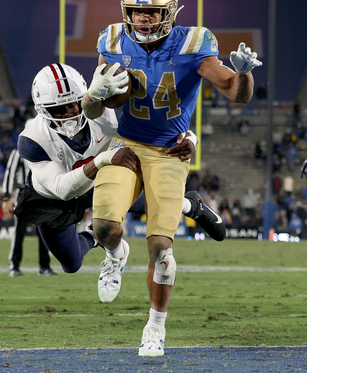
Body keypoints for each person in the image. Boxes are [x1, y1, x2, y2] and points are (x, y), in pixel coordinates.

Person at [81, 0, 263, 356]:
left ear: (170, 12)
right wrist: (92, 96)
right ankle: (116, 256)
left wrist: (244, 72)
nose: (143, 20)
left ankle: (155, 326)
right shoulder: (112, 40)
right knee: (103, 228)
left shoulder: (194, 44)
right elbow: (97, 107)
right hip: (127, 143)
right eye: (136, 12)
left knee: (161, 246)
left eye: (151, 13)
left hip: (168, 150)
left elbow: (236, 93)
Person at [13, 63, 215, 294]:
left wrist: (191, 138)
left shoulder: (109, 112)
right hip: (54, 198)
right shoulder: (32, 140)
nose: (69, 113)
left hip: (101, 178)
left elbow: (164, 126)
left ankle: (191, 204)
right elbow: (63, 189)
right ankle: (94, 236)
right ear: (42, 110)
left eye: (73, 104)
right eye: (59, 110)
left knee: (153, 199)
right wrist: (102, 160)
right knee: (71, 263)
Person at [2, 147, 55, 277]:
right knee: (19, 231)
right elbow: (10, 173)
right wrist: (6, 197)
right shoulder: (18, 151)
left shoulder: (45, 148)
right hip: (24, 193)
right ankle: (14, 266)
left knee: (44, 232)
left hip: (42, 192)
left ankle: (45, 266)